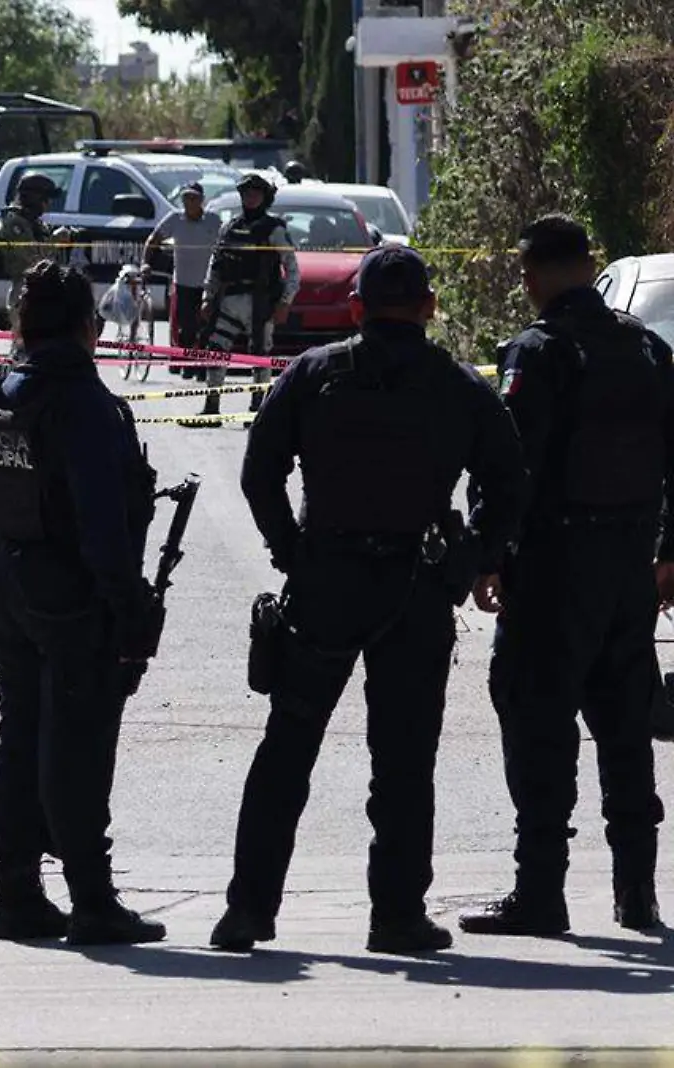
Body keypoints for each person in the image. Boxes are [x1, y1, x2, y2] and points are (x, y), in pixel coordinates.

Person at [210, 246, 528, 955]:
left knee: (287, 750)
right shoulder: (454, 385)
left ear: (356, 308)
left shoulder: (315, 373)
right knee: (405, 760)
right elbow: (510, 482)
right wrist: (467, 564)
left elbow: (260, 470)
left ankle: (249, 911)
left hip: (326, 581)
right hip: (414, 587)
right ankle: (397, 916)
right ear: (429, 308)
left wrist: (293, 552)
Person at [461, 214, 673, 936]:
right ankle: (637, 894)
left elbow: (511, 467)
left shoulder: (539, 352)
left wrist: (487, 554)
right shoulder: (645, 349)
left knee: (537, 721)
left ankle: (541, 894)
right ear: (591, 265)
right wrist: (668, 551)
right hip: (629, 567)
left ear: (536, 275)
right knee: (625, 727)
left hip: (554, 568)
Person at [0, 260, 167, 947]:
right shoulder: (83, 403)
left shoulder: (1, 390)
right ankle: (91, 899)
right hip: (72, 597)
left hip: (10, 586)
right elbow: (103, 524)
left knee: (19, 738)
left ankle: (16, 894)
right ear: (88, 325)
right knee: (77, 745)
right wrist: (127, 606)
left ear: (22, 323)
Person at [199, 173, 300, 416]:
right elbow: (215, 265)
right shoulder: (229, 227)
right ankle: (212, 408)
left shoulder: (273, 229)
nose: (250, 197)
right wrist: (207, 298)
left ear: (265, 197)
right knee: (216, 350)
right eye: (246, 193)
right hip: (229, 301)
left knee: (260, 355)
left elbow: (293, 268)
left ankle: (257, 411)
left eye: (256, 193)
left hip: (261, 303)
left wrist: (285, 302)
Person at [0, 173, 82, 360]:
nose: (47, 205)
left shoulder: (34, 222)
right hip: (24, 292)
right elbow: (31, 258)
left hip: (43, 290)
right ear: (33, 198)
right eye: (45, 199)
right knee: (24, 351)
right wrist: (56, 240)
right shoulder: (14, 223)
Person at [144, 182, 222, 356]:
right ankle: (186, 361)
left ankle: (202, 364)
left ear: (202, 200)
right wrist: (146, 262)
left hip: (208, 285)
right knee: (186, 326)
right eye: (186, 197)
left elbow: (226, 245)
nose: (189, 202)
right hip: (184, 283)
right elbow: (154, 239)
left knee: (207, 326)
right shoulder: (174, 219)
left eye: (193, 198)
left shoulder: (213, 220)